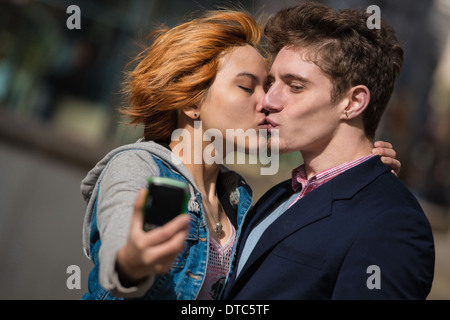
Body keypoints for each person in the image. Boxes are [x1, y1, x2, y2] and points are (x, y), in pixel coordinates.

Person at [80, 8, 400, 300]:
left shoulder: (239, 199)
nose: (268, 102)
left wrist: (362, 174)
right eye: (248, 87)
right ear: (191, 103)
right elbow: (119, 253)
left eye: (270, 86)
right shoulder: (138, 167)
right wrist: (132, 262)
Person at [222, 2, 435, 300]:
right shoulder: (278, 196)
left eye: (295, 86)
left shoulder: (391, 223)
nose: (268, 100)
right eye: (271, 82)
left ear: (352, 103)